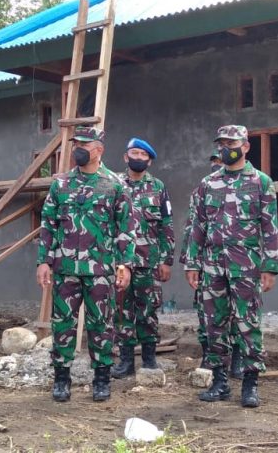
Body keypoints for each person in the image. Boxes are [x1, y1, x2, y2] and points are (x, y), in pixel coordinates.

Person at [36, 126, 135, 402]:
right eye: (75, 143)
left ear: (99, 149)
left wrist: (125, 264)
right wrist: (43, 261)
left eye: (84, 144)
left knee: (101, 325)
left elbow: (125, 228)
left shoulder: (115, 184)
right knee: (63, 324)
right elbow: (48, 224)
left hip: (101, 269)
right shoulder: (61, 184)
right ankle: (61, 379)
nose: (78, 148)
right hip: (66, 267)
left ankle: (101, 379)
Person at [183, 125, 278, 408]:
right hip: (212, 266)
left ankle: (250, 384)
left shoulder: (261, 182)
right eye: (222, 143)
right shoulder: (207, 184)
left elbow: (269, 227)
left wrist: (270, 266)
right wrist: (192, 263)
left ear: (246, 146)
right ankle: (220, 382)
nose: (226, 148)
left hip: (246, 267)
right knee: (214, 325)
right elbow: (198, 227)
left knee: (248, 324)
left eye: (231, 142)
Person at [112, 137, 174, 378]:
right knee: (122, 311)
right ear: (126, 157)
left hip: (149, 262)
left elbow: (166, 225)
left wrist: (166, 260)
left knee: (148, 311)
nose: (138, 158)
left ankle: (149, 360)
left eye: (143, 155)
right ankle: (125, 362)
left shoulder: (158, 187)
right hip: (120, 263)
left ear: (149, 161)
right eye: (134, 153)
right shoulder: (114, 184)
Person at [181, 148, 244, 378]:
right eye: (214, 161)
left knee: (237, 314)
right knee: (205, 312)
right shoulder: (203, 188)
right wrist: (190, 261)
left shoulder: (244, 187)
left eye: (220, 161)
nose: (217, 165)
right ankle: (210, 355)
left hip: (236, 263)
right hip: (207, 262)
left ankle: (236, 359)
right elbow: (193, 227)